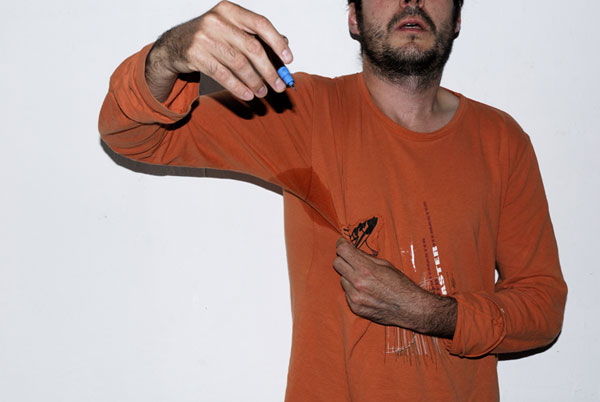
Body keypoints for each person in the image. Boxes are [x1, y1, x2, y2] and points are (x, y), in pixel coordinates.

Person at [99, 0, 567, 400]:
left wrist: (428, 312)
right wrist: (170, 54)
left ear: (458, 19)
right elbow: (133, 135)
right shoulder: (303, 112)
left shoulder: (501, 140)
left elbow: (543, 307)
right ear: (354, 19)